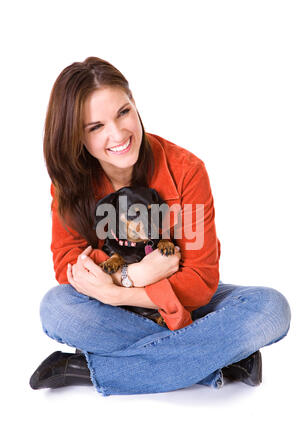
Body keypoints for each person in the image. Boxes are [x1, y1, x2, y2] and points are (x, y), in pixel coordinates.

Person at [29, 57, 291, 395]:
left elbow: (200, 283)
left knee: (270, 308)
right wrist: (132, 278)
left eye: (124, 112)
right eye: (96, 127)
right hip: (119, 307)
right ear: (76, 137)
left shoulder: (186, 170)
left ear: (135, 104)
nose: (119, 134)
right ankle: (218, 360)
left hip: (185, 303)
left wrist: (116, 289)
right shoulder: (71, 180)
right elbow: (67, 264)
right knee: (57, 308)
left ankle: (83, 369)